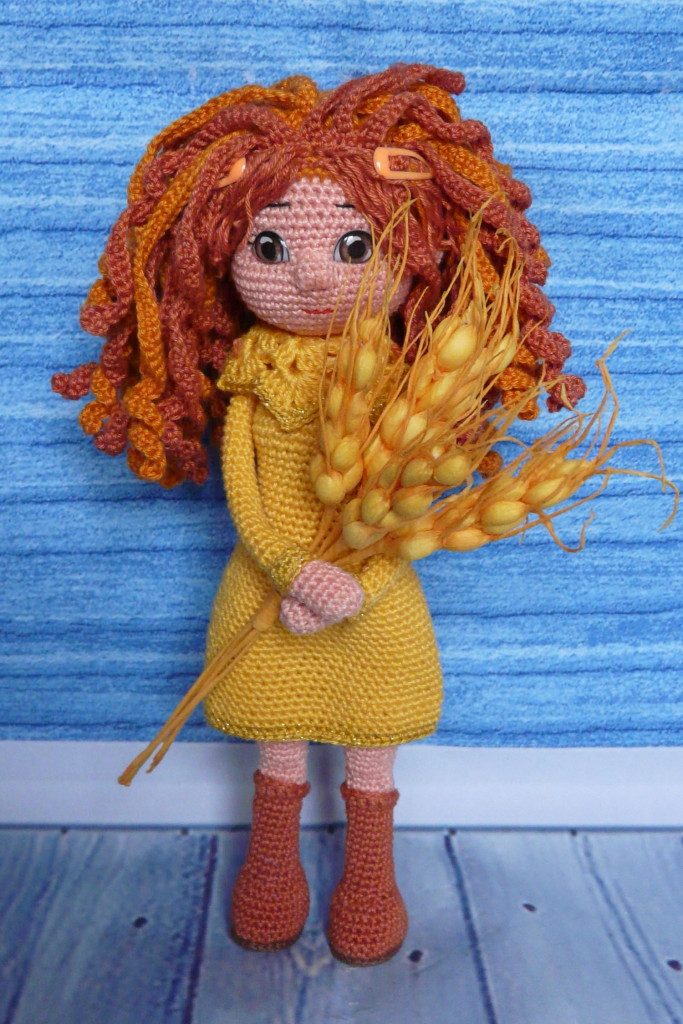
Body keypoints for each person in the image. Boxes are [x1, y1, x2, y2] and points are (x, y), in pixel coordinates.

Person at [52, 64, 584, 966]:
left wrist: (355, 580)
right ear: (215, 255)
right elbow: (246, 495)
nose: (309, 278)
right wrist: (294, 571)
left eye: (352, 246)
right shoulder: (253, 375)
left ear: (418, 250)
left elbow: (411, 497)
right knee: (278, 745)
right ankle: (272, 862)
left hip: (373, 591)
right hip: (271, 582)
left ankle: (370, 871)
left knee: (373, 745)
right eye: (268, 247)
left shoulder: (414, 379)